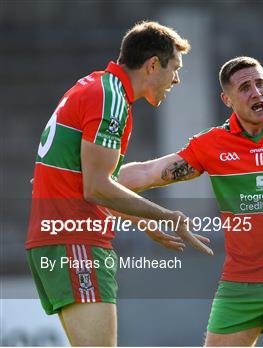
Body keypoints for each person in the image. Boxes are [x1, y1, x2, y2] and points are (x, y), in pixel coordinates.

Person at [118, 56, 263, 346]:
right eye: (245, 87)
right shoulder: (212, 144)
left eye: (260, 84)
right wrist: (86, 177)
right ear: (227, 99)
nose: (257, 93)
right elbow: (147, 172)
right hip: (242, 285)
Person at [26, 21, 213, 347]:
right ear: (153, 64)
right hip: (76, 242)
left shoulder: (96, 86)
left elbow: (83, 179)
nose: (177, 79)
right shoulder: (109, 98)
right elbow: (96, 187)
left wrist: (140, 220)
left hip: (61, 239)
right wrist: (168, 217)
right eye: (175, 68)